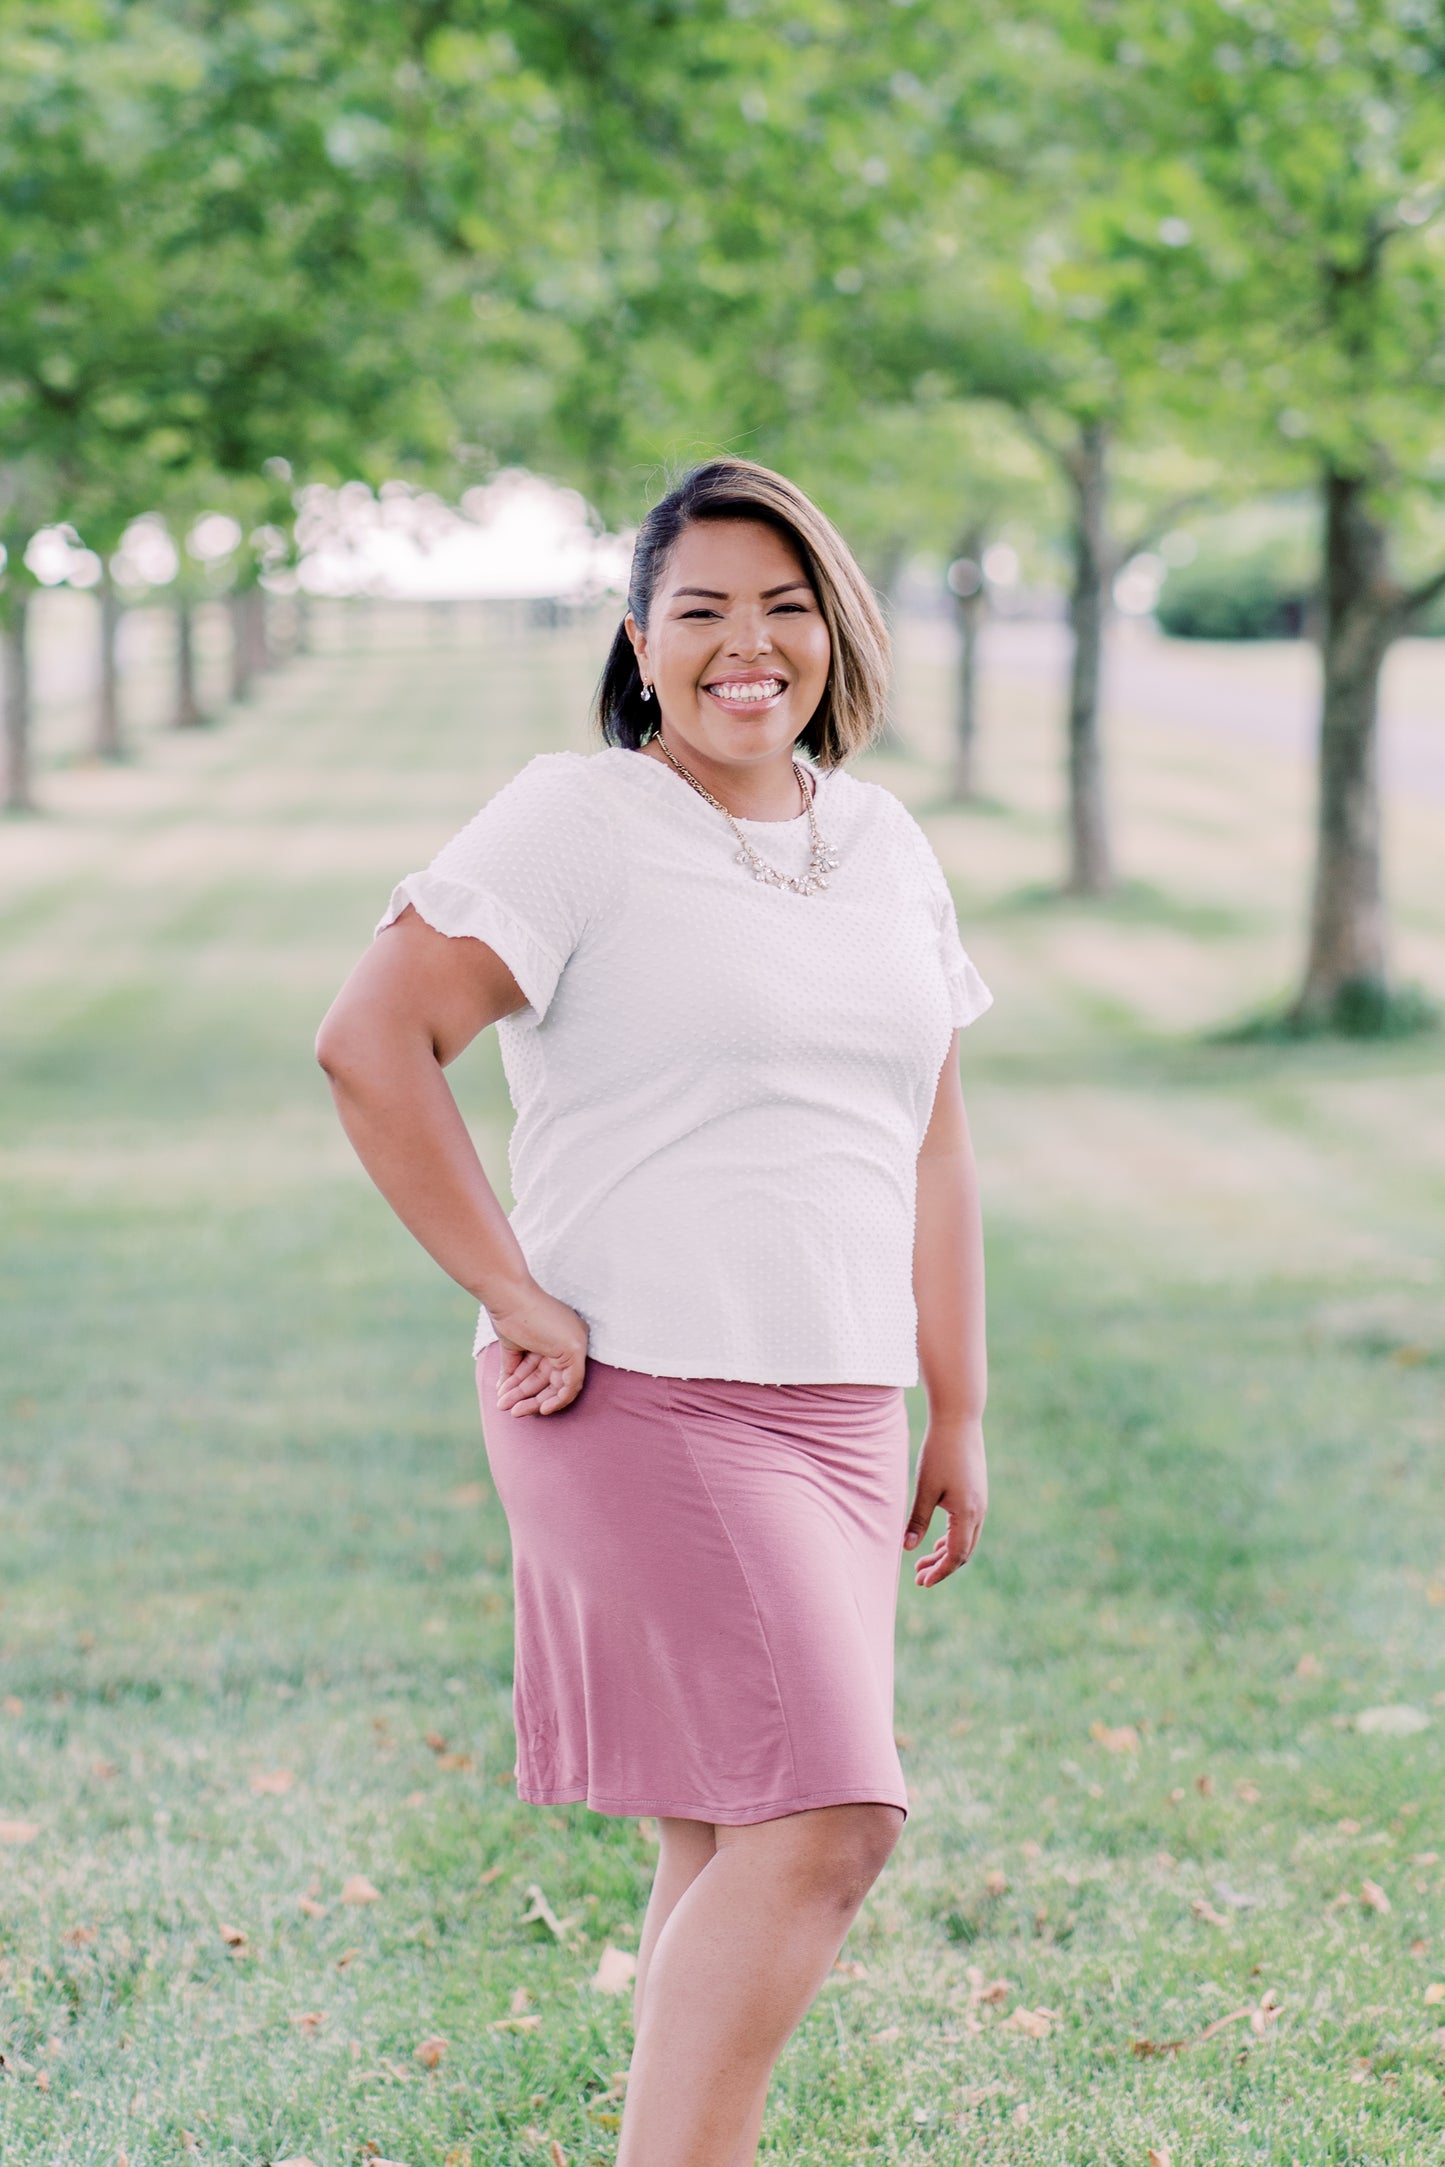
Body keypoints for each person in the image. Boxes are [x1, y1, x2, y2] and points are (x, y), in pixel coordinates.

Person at [315, 457, 992, 2166]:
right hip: (638, 1396)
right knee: (829, 1819)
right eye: (699, 613)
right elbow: (371, 1037)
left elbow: (928, 1137)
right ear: (638, 643)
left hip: (837, 1407)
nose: (743, 646)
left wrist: (954, 1404)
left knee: (728, 1833)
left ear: (835, 632)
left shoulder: (881, 839)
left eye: (783, 608)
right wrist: (508, 1288)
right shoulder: (580, 818)